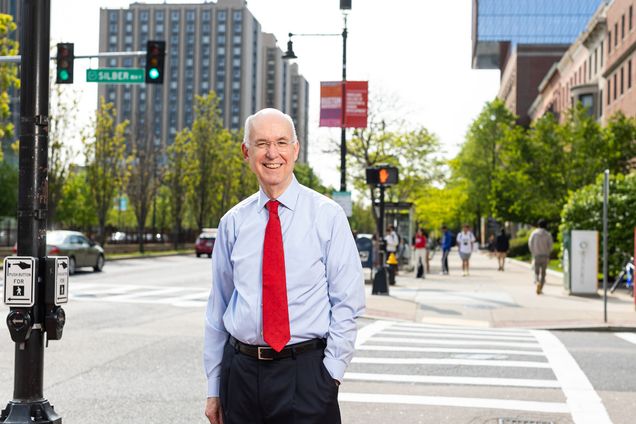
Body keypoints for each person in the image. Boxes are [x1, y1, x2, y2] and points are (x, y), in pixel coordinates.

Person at [204, 108, 366, 424]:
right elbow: (218, 309)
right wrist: (214, 387)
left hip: (306, 375)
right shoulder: (232, 223)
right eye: (262, 143)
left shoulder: (327, 216)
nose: (272, 153)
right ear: (246, 152)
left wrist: (330, 375)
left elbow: (348, 303)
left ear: (295, 149)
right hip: (242, 377)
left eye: (281, 142)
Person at [528, 219, 553, 294]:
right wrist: (548, 252)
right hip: (545, 256)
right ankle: (541, 287)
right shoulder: (548, 234)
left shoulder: (534, 233)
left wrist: (533, 252)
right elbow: (550, 246)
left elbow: (530, 244)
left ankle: (537, 282)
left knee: (536, 272)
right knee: (543, 273)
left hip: (536, 255)